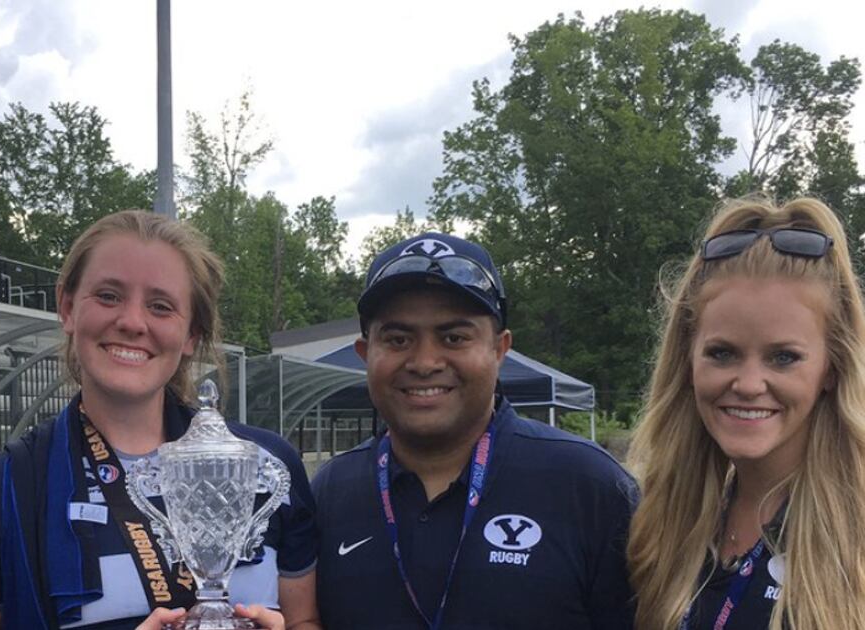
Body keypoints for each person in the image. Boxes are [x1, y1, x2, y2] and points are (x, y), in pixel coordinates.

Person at [0, 210, 319, 630]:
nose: (131, 322)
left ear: (191, 336)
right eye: (109, 296)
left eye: (161, 306)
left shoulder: (265, 465)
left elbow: (304, 620)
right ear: (68, 307)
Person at [312, 233, 638, 629]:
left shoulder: (590, 487)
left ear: (500, 350)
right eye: (398, 339)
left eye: (454, 337)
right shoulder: (328, 493)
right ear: (365, 355)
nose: (425, 361)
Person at [626, 197, 865, 629]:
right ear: (689, 360)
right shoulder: (662, 519)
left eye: (784, 357)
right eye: (722, 353)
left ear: (831, 369)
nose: (749, 384)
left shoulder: (856, 532)